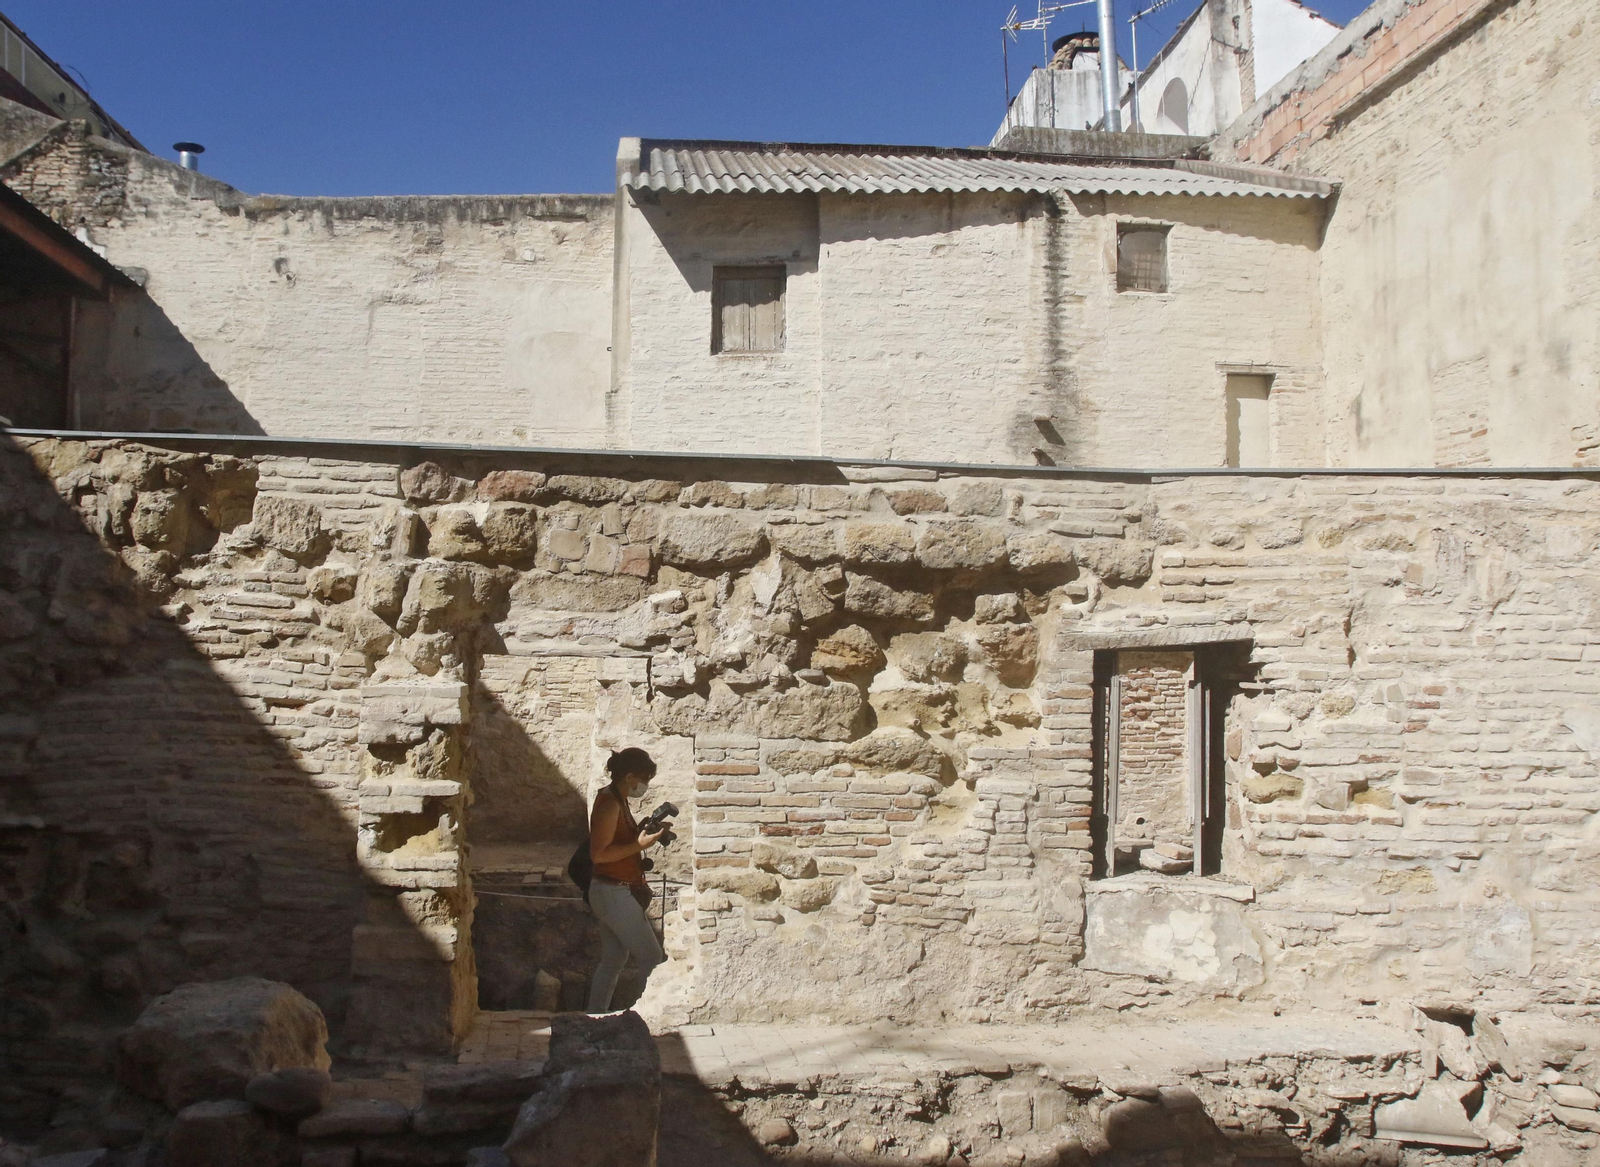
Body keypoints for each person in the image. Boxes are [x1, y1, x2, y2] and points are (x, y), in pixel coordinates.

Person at [585, 747, 666, 1013]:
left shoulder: (618, 800)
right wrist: (638, 845)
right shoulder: (609, 803)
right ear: (630, 776)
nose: (644, 786)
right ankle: (648, 1016)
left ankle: (595, 1015)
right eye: (644, 779)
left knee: (613, 959)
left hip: (611, 891)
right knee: (652, 958)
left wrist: (642, 833)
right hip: (612, 891)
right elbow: (599, 855)